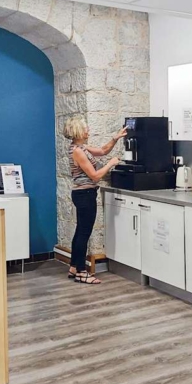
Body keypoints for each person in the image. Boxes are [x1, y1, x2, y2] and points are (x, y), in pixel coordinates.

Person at [64, 117, 127, 284]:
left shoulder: (81, 147)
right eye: (85, 128)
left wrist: (115, 138)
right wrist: (111, 164)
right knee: (84, 233)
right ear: (78, 131)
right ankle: (81, 272)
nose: (88, 131)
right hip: (84, 195)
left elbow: (103, 150)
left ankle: (74, 267)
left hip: (84, 194)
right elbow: (95, 176)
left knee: (80, 231)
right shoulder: (77, 151)